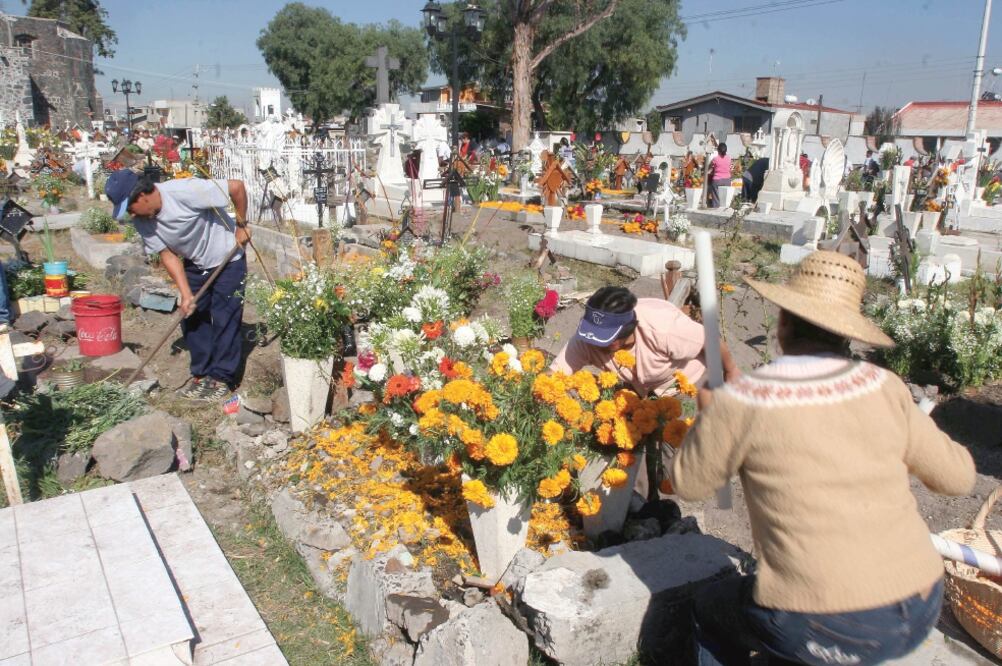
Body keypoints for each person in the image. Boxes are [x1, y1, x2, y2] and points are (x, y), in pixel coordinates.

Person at [668, 251, 976, 666]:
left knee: (711, 606)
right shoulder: (885, 386)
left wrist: (711, 413)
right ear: (845, 333)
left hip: (821, 622)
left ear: (782, 322)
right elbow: (959, 479)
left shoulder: (743, 401)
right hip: (918, 604)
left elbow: (688, 485)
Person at [105, 170, 251, 401]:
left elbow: (236, 187)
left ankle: (222, 377)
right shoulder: (144, 221)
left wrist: (241, 225)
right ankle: (201, 374)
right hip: (195, 263)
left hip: (228, 257)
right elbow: (168, 255)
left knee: (225, 318)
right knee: (191, 317)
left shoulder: (184, 191)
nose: (131, 215)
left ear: (142, 195)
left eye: (130, 208)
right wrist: (185, 294)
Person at [552, 286, 739, 397]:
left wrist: (731, 371)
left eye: (605, 338)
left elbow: (709, 339)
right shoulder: (587, 337)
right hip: (642, 389)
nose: (595, 343)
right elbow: (554, 375)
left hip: (687, 380)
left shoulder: (664, 329)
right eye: (592, 333)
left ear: (627, 329)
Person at [707, 143, 732, 208]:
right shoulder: (729, 158)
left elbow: (709, 167)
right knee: (725, 196)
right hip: (727, 180)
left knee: (715, 196)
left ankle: (716, 208)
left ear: (718, 150)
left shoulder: (715, 159)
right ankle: (725, 208)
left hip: (717, 180)